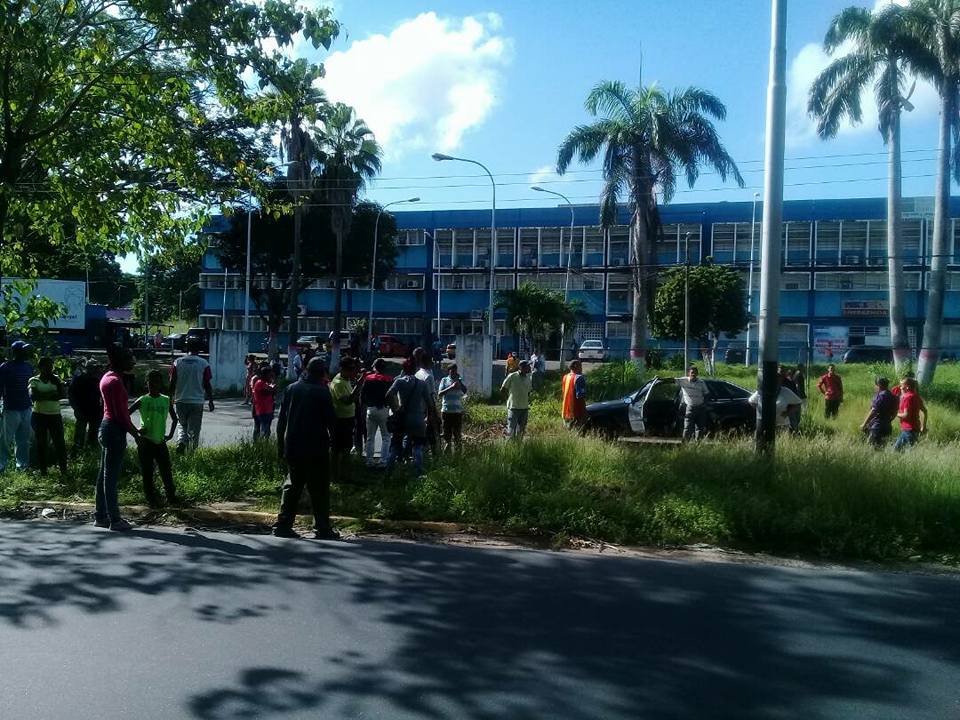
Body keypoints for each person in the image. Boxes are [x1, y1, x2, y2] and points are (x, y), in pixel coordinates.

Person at [273, 357, 339, 540]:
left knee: (293, 486)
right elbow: (331, 422)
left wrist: (280, 446)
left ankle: (283, 525)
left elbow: (281, 421)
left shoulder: (292, 388)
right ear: (321, 373)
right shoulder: (322, 392)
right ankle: (322, 528)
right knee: (319, 489)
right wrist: (335, 445)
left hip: (293, 446)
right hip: (316, 447)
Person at [96, 344, 141, 531]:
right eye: (128, 358)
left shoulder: (107, 377)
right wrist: (136, 434)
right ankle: (115, 519)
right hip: (114, 429)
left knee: (103, 475)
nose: (131, 362)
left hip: (106, 427)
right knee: (110, 477)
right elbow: (121, 415)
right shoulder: (115, 382)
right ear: (119, 361)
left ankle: (100, 516)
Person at [130, 369, 178, 507]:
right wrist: (136, 431)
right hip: (146, 441)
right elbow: (126, 414)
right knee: (147, 471)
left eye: (156, 382)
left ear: (160, 383)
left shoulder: (166, 400)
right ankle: (151, 499)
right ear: (147, 384)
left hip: (160, 441)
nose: (154, 385)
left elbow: (175, 419)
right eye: (151, 382)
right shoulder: (143, 400)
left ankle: (171, 496)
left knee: (166, 470)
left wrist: (170, 434)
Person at [384, 359, 433, 477]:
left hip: (403, 419)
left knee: (395, 447)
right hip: (418, 419)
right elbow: (429, 402)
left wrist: (395, 409)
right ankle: (418, 473)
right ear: (415, 369)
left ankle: (388, 473)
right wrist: (429, 417)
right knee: (417, 447)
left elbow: (388, 395)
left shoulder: (399, 382)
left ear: (404, 369)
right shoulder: (422, 384)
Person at [169, 337, 214, 453]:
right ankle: (192, 452)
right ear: (199, 349)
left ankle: (181, 442)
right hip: (197, 401)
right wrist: (210, 400)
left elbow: (172, 382)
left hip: (180, 400)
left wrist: (170, 397)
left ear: (186, 348)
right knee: (194, 429)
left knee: (182, 424)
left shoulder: (177, 362)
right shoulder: (204, 363)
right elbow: (207, 384)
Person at [29, 356, 68, 476]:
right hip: (39, 415)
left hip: (54, 415)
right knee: (42, 444)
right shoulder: (34, 380)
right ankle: (43, 471)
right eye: (47, 366)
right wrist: (52, 393)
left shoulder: (56, 379)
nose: (50, 369)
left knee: (59, 443)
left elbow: (62, 395)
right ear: (40, 368)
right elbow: (34, 397)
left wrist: (44, 395)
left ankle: (64, 470)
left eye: (51, 366)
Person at [0, 340, 35, 472]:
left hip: (26, 407)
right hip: (11, 408)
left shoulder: (28, 367)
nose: (27, 353)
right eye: (24, 350)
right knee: (5, 440)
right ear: (17, 352)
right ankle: (1, 466)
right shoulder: (5, 367)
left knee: (24, 440)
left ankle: (22, 467)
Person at [328, 357, 363, 484]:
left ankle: (343, 475)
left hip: (347, 419)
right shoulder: (338, 383)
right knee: (338, 450)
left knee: (346, 448)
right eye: (351, 370)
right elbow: (347, 401)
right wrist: (359, 385)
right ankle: (336, 477)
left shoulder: (346, 379)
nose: (354, 372)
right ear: (343, 369)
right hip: (340, 420)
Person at [360, 358, 393, 467]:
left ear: (375, 367)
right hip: (384, 409)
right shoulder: (389, 379)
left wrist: (364, 406)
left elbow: (362, 395)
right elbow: (391, 396)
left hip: (371, 409)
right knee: (386, 437)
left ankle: (369, 461)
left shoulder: (368, 378)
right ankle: (383, 461)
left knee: (370, 437)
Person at [68, 360, 103, 457]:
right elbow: (71, 396)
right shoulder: (79, 379)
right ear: (87, 368)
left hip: (95, 412)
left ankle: (90, 456)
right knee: (79, 436)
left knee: (93, 436)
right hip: (81, 411)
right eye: (92, 367)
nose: (95, 369)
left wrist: (102, 410)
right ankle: (76, 456)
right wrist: (76, 409)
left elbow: (102, 396)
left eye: (95, 367)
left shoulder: (98, 380)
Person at [413, 347, 440, 453]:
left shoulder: (418, 373)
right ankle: (433, 457)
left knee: (418, 438)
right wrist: (433, 413)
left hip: (417, 409)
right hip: (426, 410)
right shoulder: (428, 376)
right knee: (431, 436)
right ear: (427, 362)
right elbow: (430, 397)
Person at [860, 377, 898, 449]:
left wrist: (864, 424)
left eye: (875, 385)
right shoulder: (893, 396)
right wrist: (889, 420)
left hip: (877, 426)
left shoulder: (881, 395)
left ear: (879, 385)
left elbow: (874, 411)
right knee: (883, 447)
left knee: (872, 447)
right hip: (887, 425)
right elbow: (895, 412)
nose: (875, 387)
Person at [438, 363, 467, 452]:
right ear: (449, 371)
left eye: (455, 370)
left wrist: (460, 382)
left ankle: (458, 456)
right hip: (446, 411)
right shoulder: (444, 380)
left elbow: (465, 391)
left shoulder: (460, 380)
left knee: (457, 435)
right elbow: (440, 394)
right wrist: (451, 387)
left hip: (457, 412)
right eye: (452, 370)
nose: (454, 372)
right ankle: (447, 454)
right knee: (447, 435)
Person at [501, 359, 533, 440]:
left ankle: (518, 448)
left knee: (521, 431)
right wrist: (509, 400)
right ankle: (510, 448)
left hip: (524, 408)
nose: (529, 367)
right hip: (513, 408)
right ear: (521, 367)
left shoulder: (528, 378)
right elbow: (503, 389)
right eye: (528, 366)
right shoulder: (512, 376)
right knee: (511, 430)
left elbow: (528, 392)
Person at [676, 365, 709, 442]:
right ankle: (685, 444)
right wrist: (658, 378)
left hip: (701, 408)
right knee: (687, 427)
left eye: (695, 372)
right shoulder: (683, 380)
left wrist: (705, 404)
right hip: (690, 408)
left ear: (697, 373)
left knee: (700, 428)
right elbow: (671, 380)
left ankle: (698, 445)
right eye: (692, 372)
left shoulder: (701, 382)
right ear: (688, 373)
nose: (693, 374)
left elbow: (707, 394)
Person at [893, 377, 927, 451]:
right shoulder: (916, 396)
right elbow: (925, 411)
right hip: (915, 429)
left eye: (902, 385)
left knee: (902, 451)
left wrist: (896, 414)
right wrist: (923, 426)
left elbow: (906, 415)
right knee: (897, 450)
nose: (900, 387)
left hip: (908, 430)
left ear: (907, 387)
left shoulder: (907, 397)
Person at [251, 364, 277, 440]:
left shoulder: (265, 383)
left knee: (267, 430)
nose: (271, 377)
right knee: (263, 430)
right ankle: (259, 446)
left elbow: (274, 391)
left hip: (268, 409)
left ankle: (264, 445)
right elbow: (267, 392)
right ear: (265, 375)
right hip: (262, 410)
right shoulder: (260, 383)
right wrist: (273, 387)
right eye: (270, 375)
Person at [561, 359, 588, 430]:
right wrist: (584, 412)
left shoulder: (565, 377)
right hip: (576, 412)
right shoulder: (579, 378)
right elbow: (580, 397)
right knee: (578, 432)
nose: (582, 369)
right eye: (580, 366)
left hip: (565, 411)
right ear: (576, 367)